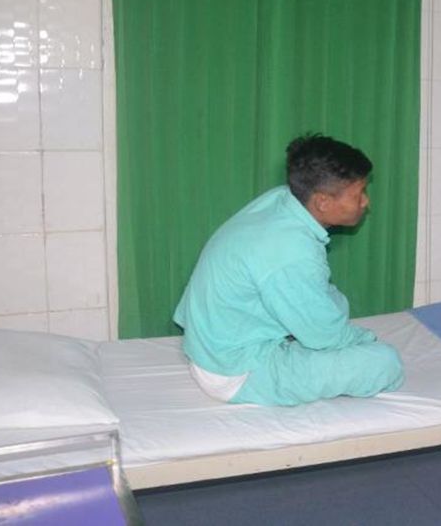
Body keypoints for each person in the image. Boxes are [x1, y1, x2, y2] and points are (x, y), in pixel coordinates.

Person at [173, 134, 404, 407]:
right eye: (359, 194)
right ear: (322, 202)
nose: (365, 202)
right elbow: (325, 336)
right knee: (385, 363)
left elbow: (318, 296)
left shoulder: (281, 201)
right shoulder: (291, 250)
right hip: (235, 372)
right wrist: (364, 339)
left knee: (330, 308)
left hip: (213, 348)